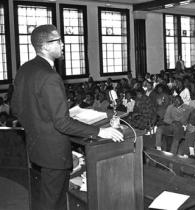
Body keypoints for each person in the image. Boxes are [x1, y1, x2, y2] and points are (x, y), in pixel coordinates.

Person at [11, 25, 123, 210]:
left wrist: (41, 121)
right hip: (53, 152)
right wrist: (100, 131)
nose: (63, 44)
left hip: (36, 146)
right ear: (46, 46)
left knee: (48, 197)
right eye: (58, 40)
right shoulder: (49, 76)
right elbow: (62, 122)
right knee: (53, 202)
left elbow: (17, 108)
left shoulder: (25, 69)